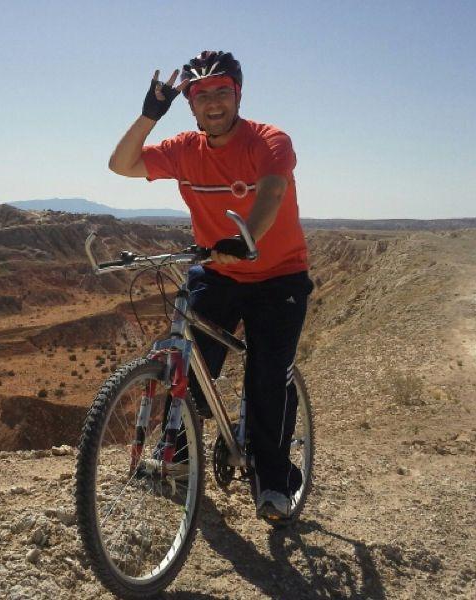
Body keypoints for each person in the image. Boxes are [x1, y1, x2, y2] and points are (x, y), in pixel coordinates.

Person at [108, 50, 313, 520]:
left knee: (267, 377)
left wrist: (246, 239)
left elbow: (273, 193)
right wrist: (149, 114)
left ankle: (274, 481)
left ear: (238, 94)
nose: (213, 102)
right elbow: (122, 165)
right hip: (217, 271)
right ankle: (177, 456)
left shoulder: (269, 140)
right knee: (193, 368)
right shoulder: (183, 148)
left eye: (222, 91)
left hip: (278, 275)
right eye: (201, 95)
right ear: (191, 104)